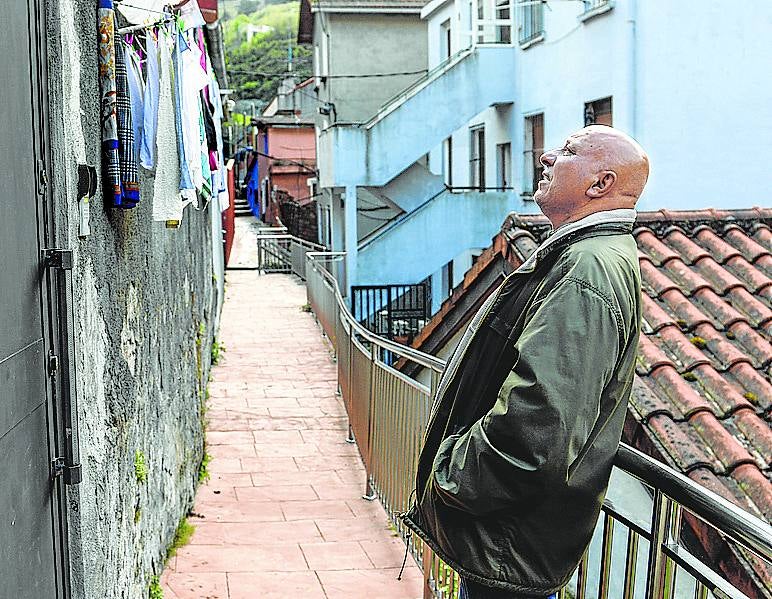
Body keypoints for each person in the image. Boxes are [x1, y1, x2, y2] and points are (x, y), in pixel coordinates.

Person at [402, 125, 650, 598]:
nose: (547, 157)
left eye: (569, 151)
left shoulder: (587, 269)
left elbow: (541, 422)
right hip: (509, 538)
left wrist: (454, 476)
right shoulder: (583, 255)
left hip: (507, 541)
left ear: (600, 184)